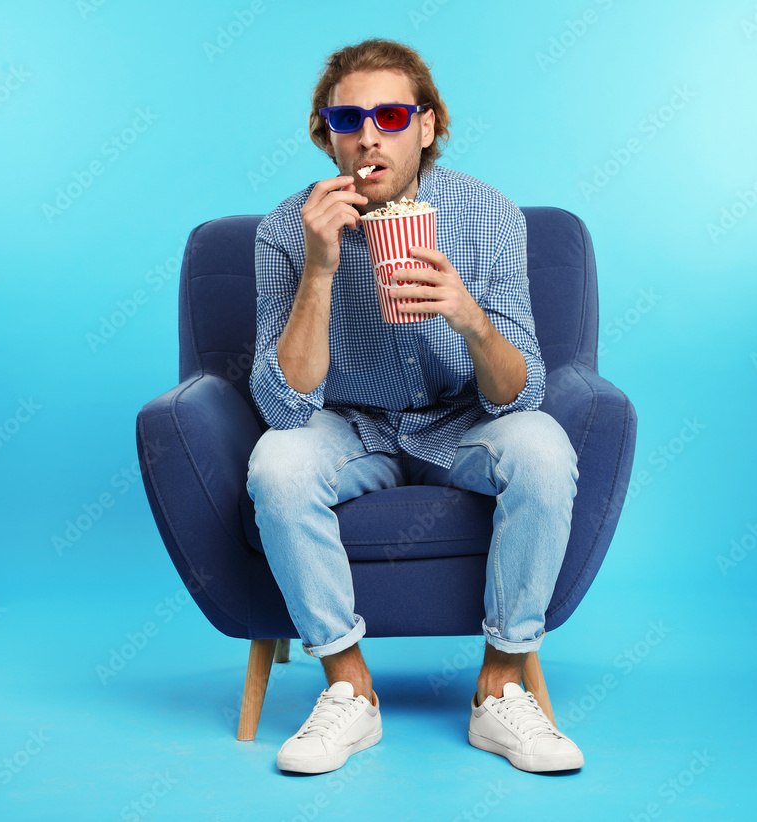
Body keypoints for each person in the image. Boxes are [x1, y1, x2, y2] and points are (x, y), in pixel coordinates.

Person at [246, 38, 583, 775]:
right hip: (350, 427)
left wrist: (468, 316)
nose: (370, 135)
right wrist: (321, 268)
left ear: (426, 126)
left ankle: (500, 687)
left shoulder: (489, 215)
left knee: (544, 446)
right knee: (278, 464)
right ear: (325, 133)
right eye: (349, 118)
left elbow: (519, 392)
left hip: (462, 421)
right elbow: (284, 404)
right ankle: (348, 690)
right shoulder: (286, 229)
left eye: (392, 114)